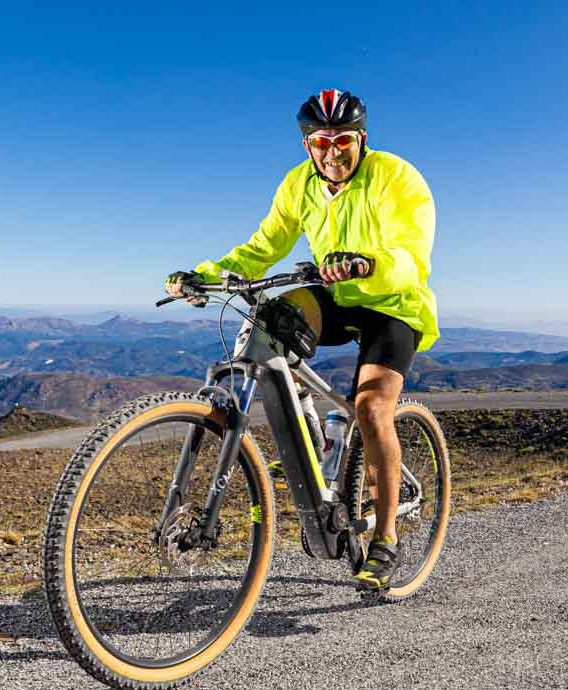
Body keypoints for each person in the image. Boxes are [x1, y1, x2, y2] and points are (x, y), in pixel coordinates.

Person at [164, 88, 438, 590]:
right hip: (334, 291)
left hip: (393, 301)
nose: (332, 152)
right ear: (307, 144)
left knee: (373, 408)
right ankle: (313, 440)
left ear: (362, 139)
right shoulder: (298, 184)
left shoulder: (397, 176)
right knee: (269, 322)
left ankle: (387, 539)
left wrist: (369, 263)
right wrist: (204, 274)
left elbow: (410, 253)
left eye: (342, 141)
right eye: (320, 142)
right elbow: (261, 247)